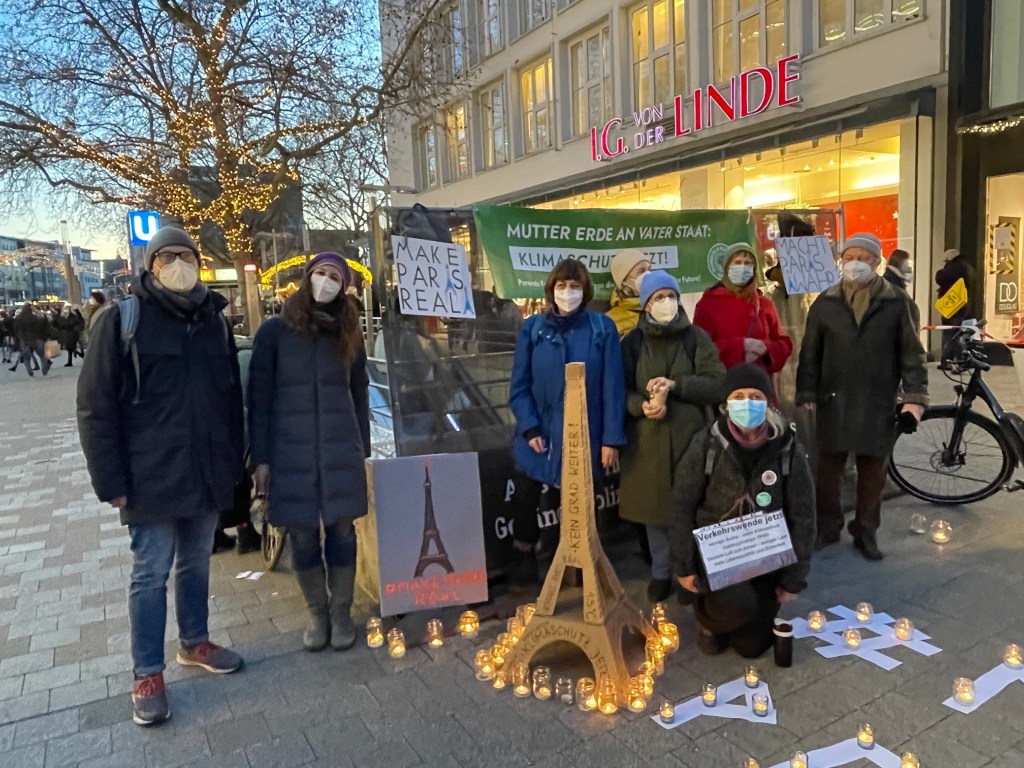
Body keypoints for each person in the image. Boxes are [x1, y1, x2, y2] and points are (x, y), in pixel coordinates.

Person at [77, 226, 245, 727]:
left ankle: (195, 642)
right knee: (150, 572)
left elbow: (230, 398)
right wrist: (109, 480)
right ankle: (147, 673)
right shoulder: (121, 320)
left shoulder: (214, 321)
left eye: (186, 255)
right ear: (150, 266)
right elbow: (94, 405)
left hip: (206, 469)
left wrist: (233, 463)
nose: (178, 264)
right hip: (149, 473)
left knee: (197, 563)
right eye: (166, 256)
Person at [248, 252, 370, 653]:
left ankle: (341, 614)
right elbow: (259, 400)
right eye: (321, 272)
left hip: (340, 448)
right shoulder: (274, 333)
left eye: (335, 276)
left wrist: (362, 449)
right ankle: (318, 614)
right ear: (307, 277)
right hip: (290, 452)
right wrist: (261, 460)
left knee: (342, 531)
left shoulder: (348, 332)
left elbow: (359, 393)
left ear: (344, 287)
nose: (326, 280)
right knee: (301, 535)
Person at [796, 232, 928, 561]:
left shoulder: (897, 302)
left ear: (876, 262)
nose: (855, 264)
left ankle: (865, 530)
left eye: (863, 258)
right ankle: (828, 527)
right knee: (828, 469)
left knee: (873, 472)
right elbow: (810, 353)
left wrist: (914, 398)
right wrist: (807, 390)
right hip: (833, 398)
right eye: (849, 257)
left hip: (877, 398)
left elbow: (912, 354)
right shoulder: (825, 302)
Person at [670, 364, 815, 658]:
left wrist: (793, 579)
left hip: (765, 556)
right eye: (738, 396)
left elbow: (804, 515)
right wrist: (684, 567)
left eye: (755, 396)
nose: (747, 403)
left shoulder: (787, 449)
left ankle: (734, 620)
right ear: (726, 404)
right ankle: (708, 620)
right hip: (717, 557)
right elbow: (681, 506)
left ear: (768, 402)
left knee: (752, 647)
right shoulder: (706, 444)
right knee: (738, 604)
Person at [508, 259, 626, 587]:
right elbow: (519, 385)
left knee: (581, 502)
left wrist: (611, 439)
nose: (568, 292)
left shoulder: (602, 328)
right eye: (561, 285)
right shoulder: (532, 329)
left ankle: (581, 567)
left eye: (575, 286)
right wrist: (530, 427)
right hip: (539, 432)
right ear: (551, 289)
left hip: (586, 433)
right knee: (525, 497)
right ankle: (524, 560)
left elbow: (613, 388)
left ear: (585, 290)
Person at [619, 271, 725, 602]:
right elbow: (620, 391)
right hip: (647, 442)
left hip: (690, 439)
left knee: (690, 508)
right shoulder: (633, 344)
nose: (666, 302)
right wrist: (640, 406)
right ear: (645, 304)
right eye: (658, 297)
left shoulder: (696, 338)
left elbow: (717, 383)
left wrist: (677, 386)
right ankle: (660, 572)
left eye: (670, 296)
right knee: (654, 512)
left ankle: (688, 573)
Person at [694, 243, 793, 379]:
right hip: (723, 383)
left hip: (759, 382)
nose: (742, 267)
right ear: (727, 268)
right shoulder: (708, 304)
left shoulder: (765, 304)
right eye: (737, 262)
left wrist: (765, 348)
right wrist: (741, 346)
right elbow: (700, 350)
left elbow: (783, 344)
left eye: (748, 263)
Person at [935, 248, 977, 358]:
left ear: (950, 257)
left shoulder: (955, 267)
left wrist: (940, 272)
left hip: (954, 306)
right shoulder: (967, 266)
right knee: (960, 333)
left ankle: (949, 360)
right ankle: (959, 359)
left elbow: (941, 278)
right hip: (964, 304)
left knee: (951, 332)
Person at [606, 249, 651, 338]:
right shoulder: (610, 321)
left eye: (649, 269)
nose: (649, 275)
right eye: (641, 271)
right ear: (624, 280)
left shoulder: (662, 307)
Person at [12, 303, 49, 376]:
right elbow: (43, 320)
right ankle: (44, 371)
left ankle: (30, 372)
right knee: (42, 356)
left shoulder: (18, 318)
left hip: (24, 339)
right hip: (35, 338)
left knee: (26, 358)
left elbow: (15, 329)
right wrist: (36, 311)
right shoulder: (34, 318)